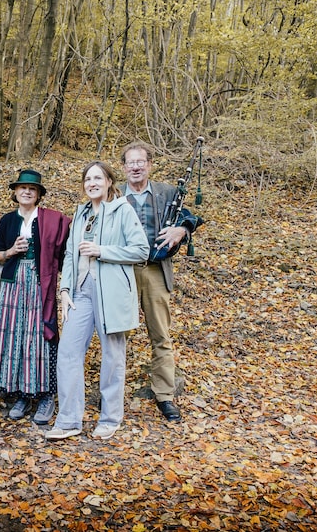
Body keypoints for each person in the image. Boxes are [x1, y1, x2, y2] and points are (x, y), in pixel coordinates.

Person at [45, 161, 148, 441]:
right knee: (68, 353)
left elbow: (141, 250)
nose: (92, 183)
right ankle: (68, 421)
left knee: (113, 357)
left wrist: (102, 250)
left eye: (97, 178)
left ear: (109, 181)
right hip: (81, 292)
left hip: (111, 294)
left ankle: (110, 418)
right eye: (88, 179)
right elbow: (68, 254)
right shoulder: (80, 215)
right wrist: (64, 289)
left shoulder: (123, 210)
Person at [120, 140, 201, 422]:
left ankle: (165, 395)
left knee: (161, 336)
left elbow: (192, 217)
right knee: (119, 334)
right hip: (123, 273)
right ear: (124, 167)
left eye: (141, 161)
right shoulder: (113, 195)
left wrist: (181, 230)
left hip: (156, 270)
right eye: (131, 162)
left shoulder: (167, 192)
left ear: (149, 165)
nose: (136, 166)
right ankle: (114, 391)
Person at [0, 169, 70, 424]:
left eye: (32, 189)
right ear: (15, 192)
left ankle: (45, 395)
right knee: (16, 336)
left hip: (39, 282)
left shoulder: (50, 220)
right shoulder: (7, 221)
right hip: (13, 284)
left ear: (38, 195)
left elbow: (66, 250)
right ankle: (22, 393)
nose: (26, 192)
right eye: (22, 188)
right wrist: (11, 251)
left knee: (40, 335)